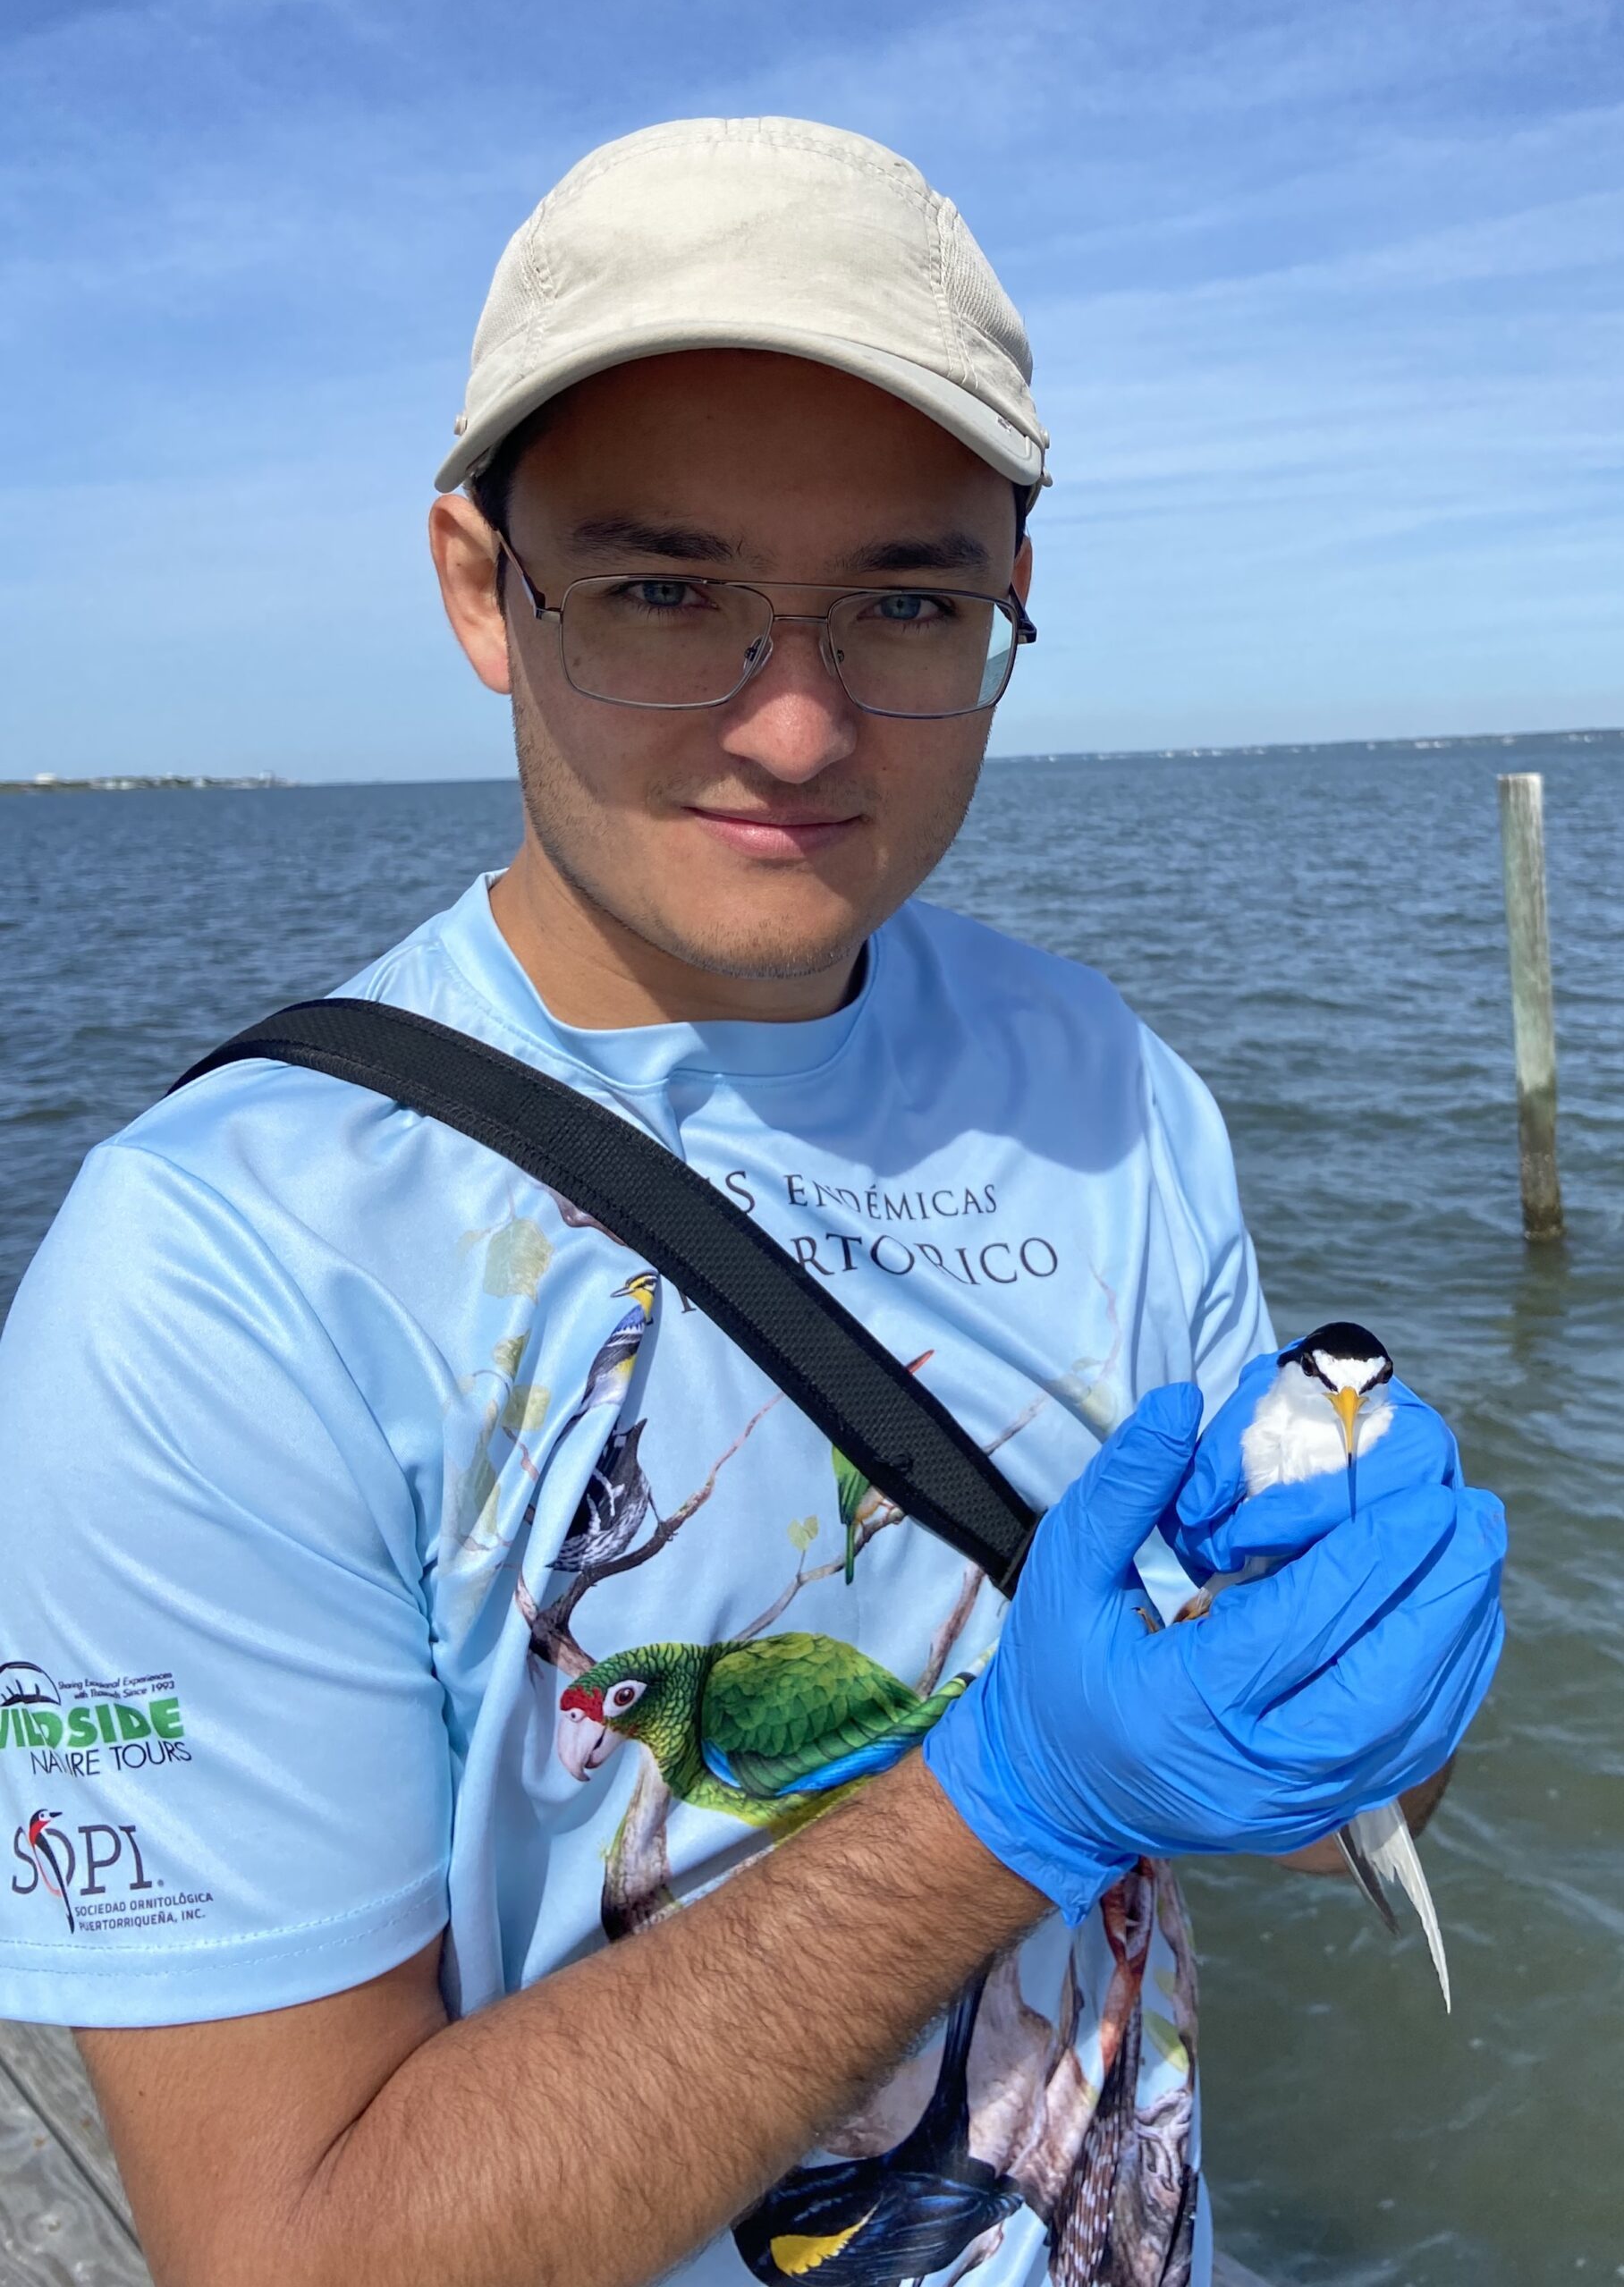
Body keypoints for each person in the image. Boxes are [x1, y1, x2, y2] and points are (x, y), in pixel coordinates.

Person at [0, 117, 1502, 2287]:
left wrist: (1365, 1684)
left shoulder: (1112, 1091)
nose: (795, 726)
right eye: (661, 590)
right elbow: (290, 2245)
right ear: (475, 589)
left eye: (906, 599)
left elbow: (1268, 1797)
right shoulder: (219, 1276)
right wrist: (1005, 1801)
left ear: (1008, 598)